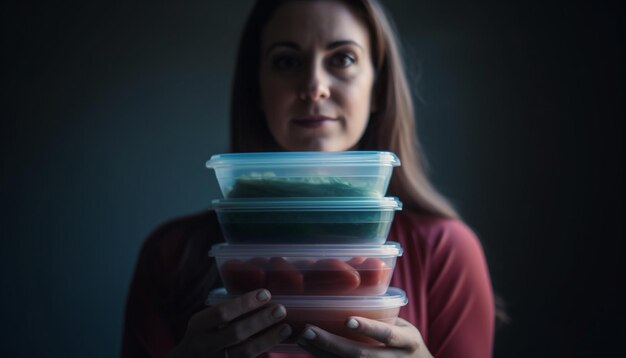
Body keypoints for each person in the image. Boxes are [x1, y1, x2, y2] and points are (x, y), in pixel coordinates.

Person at [121, 0, 496, 357]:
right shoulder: (170, 256)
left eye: (343, 58)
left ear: (377, 89)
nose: (314, 86)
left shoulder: (446, 251)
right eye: (287, 61)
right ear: (258, 92)